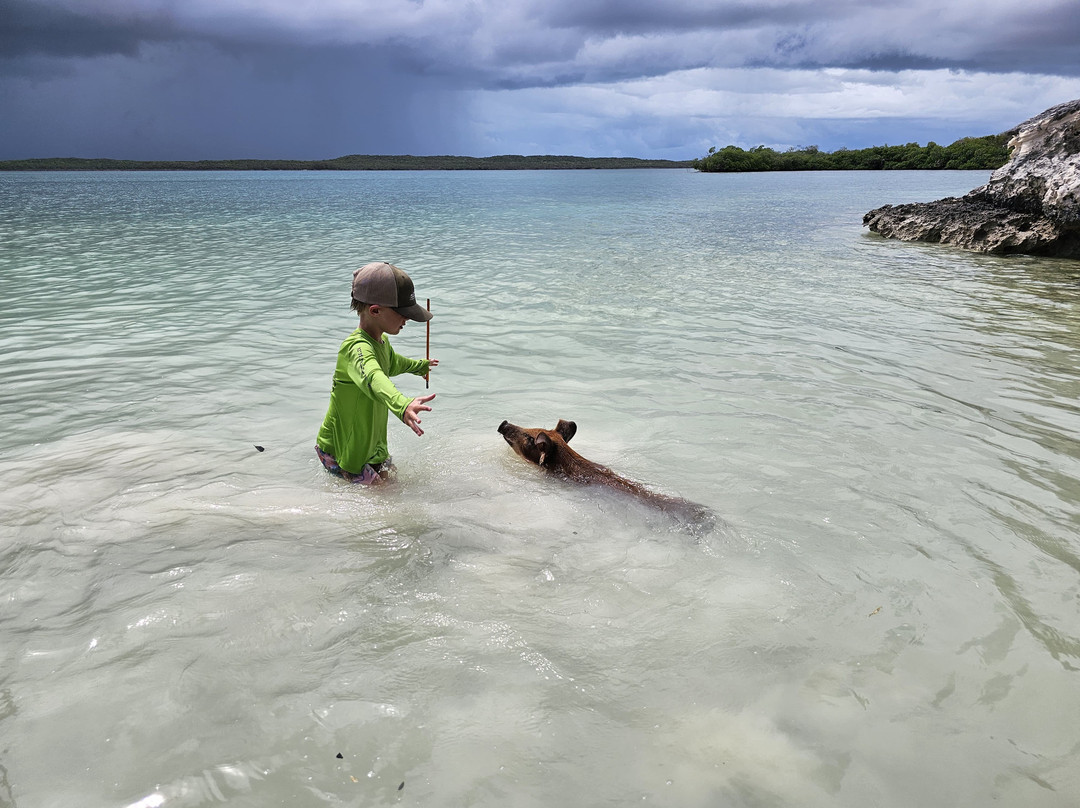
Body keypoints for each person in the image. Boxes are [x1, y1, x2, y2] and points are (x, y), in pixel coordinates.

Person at [315, 261, 438, 484]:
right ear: (375, 310)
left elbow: (390, 363)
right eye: (403, 313)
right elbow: (374, 377)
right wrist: (402, 405)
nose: (407, 319)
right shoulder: (357, 349)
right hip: (345, 450)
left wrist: (417, 366)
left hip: (372, 447)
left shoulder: (380, 342)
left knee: (395, 486)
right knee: (385, 505)